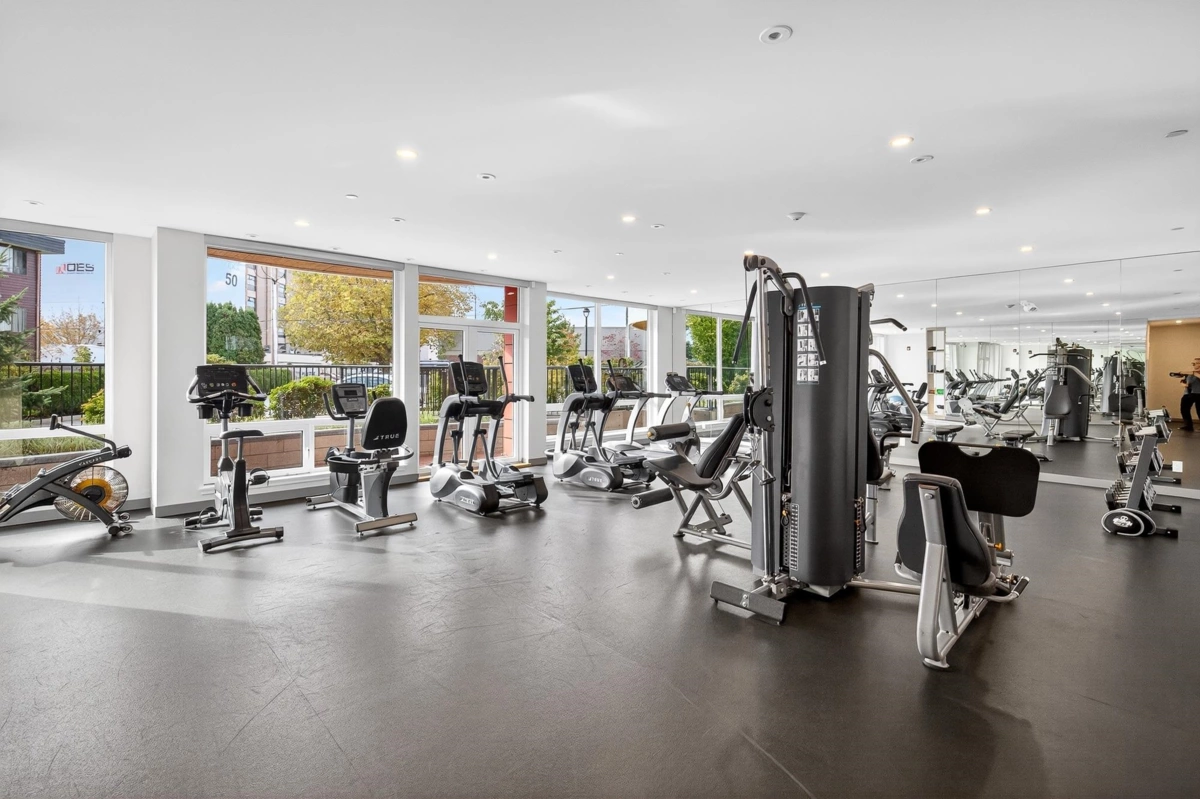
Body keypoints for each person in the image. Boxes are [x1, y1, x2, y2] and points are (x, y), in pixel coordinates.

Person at [1180, 357, 1200, 432]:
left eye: (1197, 363)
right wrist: (1183, 384)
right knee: (1184, 409)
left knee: (1199, 410)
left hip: (1198, 393)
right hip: (1188, 393)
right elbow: (1183, 380)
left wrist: (1195, 372)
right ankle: (1188, 425)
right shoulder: (1190, 373)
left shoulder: (1193, 372)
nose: (1195, 364)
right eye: (1194, 363)